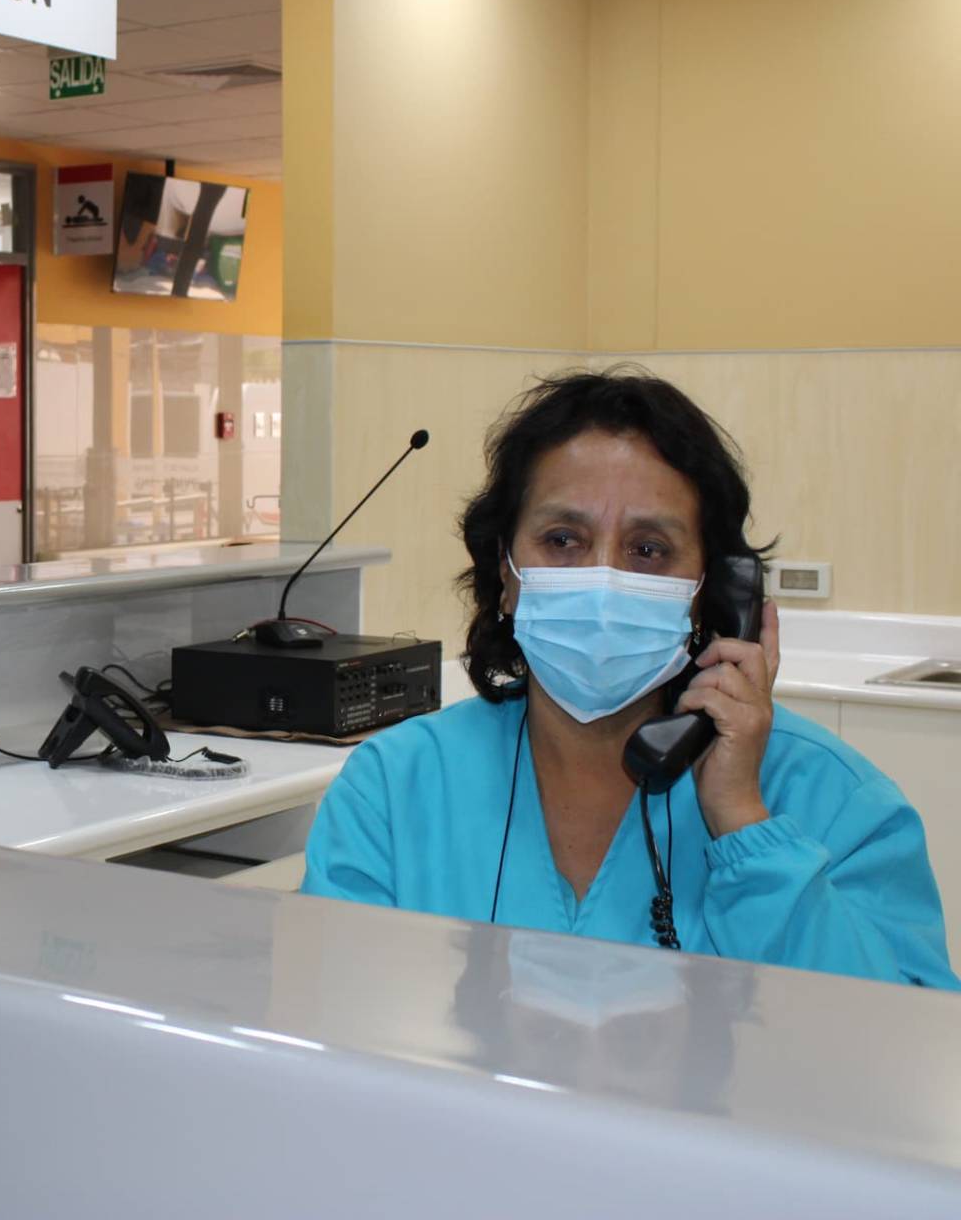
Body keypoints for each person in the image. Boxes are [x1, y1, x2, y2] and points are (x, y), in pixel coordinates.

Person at [300, 369, 955, 988]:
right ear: (505, 574)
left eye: (648, 549)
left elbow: (897, 1050)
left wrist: (745, 826)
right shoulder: (394, 788)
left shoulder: (835, 800)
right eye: (562, 539)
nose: (603, 578)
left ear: (711, 593)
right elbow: (335, 1039)